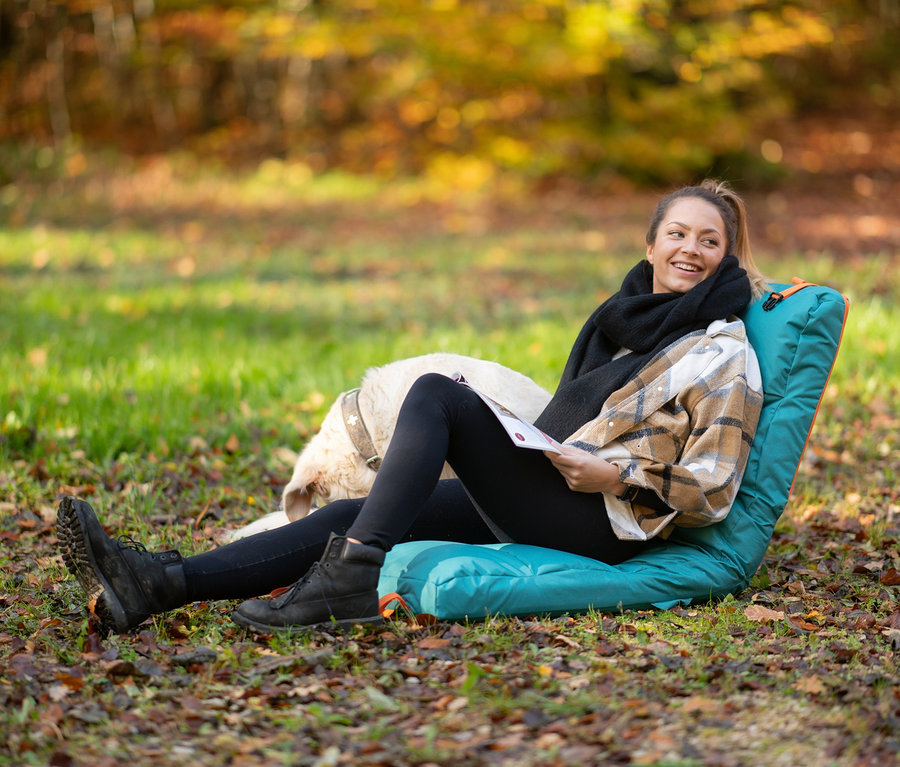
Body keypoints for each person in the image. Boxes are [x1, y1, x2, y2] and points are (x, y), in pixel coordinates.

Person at [57, 179, 767, 635]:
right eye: (677, 233)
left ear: (726, 260)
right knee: (345, 514)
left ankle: (351, 577)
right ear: (650, 244)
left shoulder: (722, 353)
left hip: (611, 518)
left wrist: (613, 477)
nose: (690, 249)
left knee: (438, 396)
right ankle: (156, 583)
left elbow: (714, 485)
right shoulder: (626, 319)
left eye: (710, 241)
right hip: (563, 486)